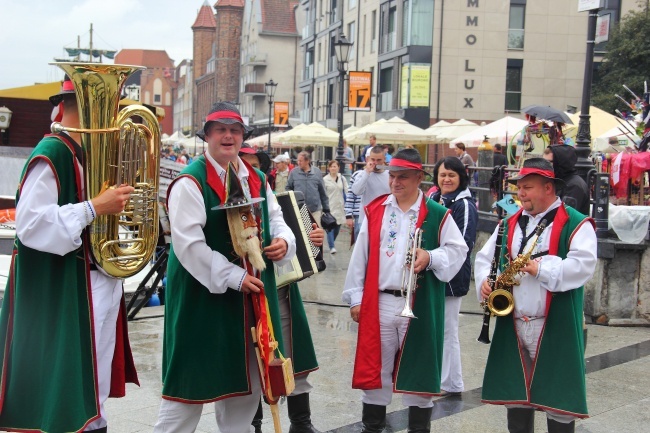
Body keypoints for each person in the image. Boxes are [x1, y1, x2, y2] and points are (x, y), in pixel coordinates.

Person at [0, 75, 139, 432]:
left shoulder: (88, 152)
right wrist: (94, 207)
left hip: (98, 278)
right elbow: (30, 224)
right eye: (102, 105)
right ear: (71, 108)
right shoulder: (54, 151)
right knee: (73, 380)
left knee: (94, 383)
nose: (111, 113)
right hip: (70, 284)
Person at [153, 101, 299, 433]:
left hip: (248, 303)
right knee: (186, 393)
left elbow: (278, 221)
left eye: (235, 130)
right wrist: (234, 276)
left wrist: (284, 242)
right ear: (207, 136)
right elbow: (188, 246)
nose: (228, 137)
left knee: (244, 388)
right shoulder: (190, 182)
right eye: (221, 130)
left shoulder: (256, 178)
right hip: (200, 299)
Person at [342, 149, 468, 433]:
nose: (395, 182)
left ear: (418, 179)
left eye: (402, 177)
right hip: (381, 300)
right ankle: (371, 428)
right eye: (393, 176)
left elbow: (459, 251)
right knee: (376, 372)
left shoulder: (438, 214)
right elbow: (360, 256)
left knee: (420, 373)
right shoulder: (376, 210)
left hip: (419, 302)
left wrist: (431, 257)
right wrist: (355, 298)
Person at [475, 158, 597, 433]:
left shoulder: (576, 223)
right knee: (516, 398)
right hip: (514, 321)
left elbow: (583, 266)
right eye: (520, 188)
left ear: (548, 188)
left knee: (559, 399)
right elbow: (485, 258)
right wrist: (486, 281)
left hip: (553, 323)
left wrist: (540, 269)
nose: (521, 193)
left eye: (527, 187)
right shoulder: (509, 223)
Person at [428, 157, 478, 397]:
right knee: (435, 328)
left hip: (452, 273)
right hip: (430, 270)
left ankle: (451, 382)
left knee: (448, 330)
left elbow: (464, 243)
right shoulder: (434, 198)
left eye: (452, 175)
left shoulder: (464, 205)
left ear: (461, 177)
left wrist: (434, 256)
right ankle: (436, 376)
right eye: (442, 174)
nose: (446, 179)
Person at [543, 146, 590, 216]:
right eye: (543, 162)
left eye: (549, 162)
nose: (544, 166)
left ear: (560, 162)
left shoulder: (574, 185)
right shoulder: (557, 180)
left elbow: (564, 216)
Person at [350, 145, 391, 226]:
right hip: (366, 219)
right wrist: (367, 172)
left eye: (379, 160)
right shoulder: (362, 174)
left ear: (384, 159)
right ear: (368, 159)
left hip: (385, 218)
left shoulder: (390, 175)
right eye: (373, 159)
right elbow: (356, 191)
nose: (375, 163)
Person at [287, 151, 330, 224]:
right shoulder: (293, 172)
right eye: (298, 160)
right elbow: (288, 188)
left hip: (315, 210)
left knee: (315, 232)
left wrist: (326, 208)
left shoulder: (317, 172)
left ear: (307, 161)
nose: (298, 163)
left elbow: (322, 191)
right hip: (299, 209)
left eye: (301, 161)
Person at [323, 159, 348, 254]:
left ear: (338, 167)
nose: (333, 168)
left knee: (337, 227)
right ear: (329, 168)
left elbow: (347, 191)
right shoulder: (325, 180)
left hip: (340, 206)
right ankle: (332, 246)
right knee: (330, 227)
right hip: (329, 206)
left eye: (335, 166)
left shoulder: (342, 178)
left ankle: (331, 242)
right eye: (331, 166)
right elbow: (322, 193)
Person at [345, 170, 363, 239]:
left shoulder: (386, 174)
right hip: (359, 213)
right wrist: (348, 215)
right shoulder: (357, 175)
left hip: (378, 214)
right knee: (359, 239)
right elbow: (350, 195)